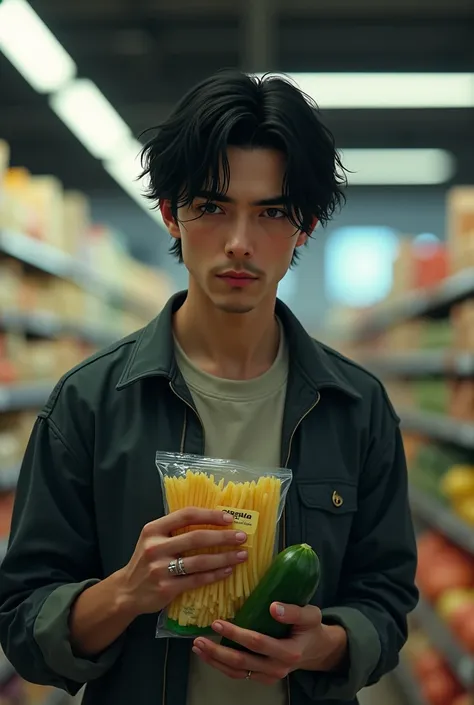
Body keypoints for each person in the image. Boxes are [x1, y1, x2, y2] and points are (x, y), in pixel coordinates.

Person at [0, 70, 418, 705]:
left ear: (303, 226)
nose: (240, 243)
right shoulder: (88, 403)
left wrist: (322, 645)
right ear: (171, 214)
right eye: (212, 208)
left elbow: (385, 597)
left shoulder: (358, 407)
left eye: (272, 212)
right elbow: (23, 623)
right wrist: (126, 590)